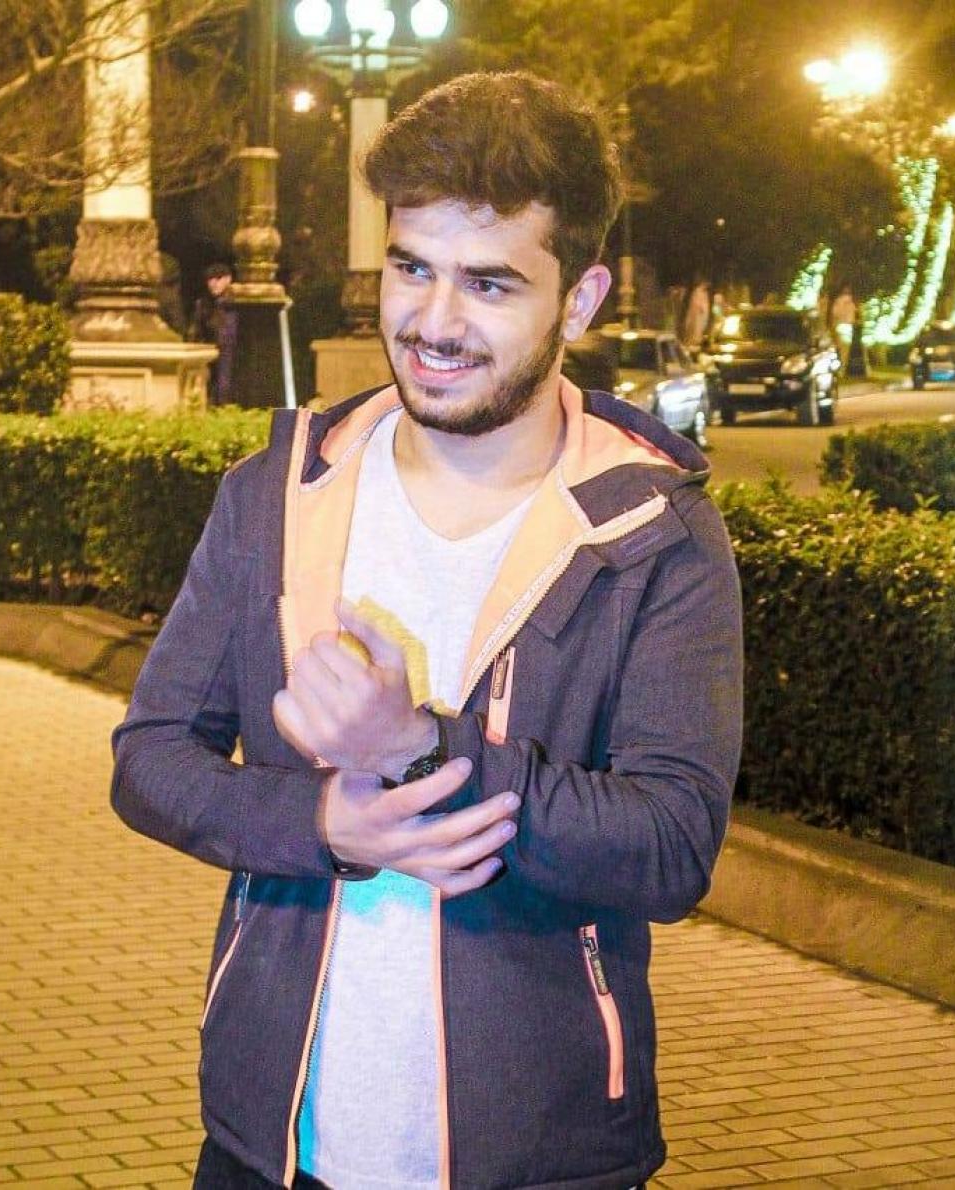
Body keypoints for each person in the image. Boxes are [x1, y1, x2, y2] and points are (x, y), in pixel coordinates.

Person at [112, 71, 743, 1190]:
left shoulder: (654, 533)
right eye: (413, 268)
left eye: (489, 283)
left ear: (580, 299)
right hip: (269, 1148)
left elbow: (669, 845)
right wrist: (323, 820)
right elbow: (151, 759)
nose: (435, 322)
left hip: (542, 1158)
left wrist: (419, 753)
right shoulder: (278, 495)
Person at [189, 262, 239, 404]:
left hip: (233, 352)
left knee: (225, 387)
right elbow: (197, 331)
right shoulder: (203, 304)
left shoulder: (237, 302)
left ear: (228, 279)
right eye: (210, 279)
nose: (213, 283)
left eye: (218, 278)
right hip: (211, 352)